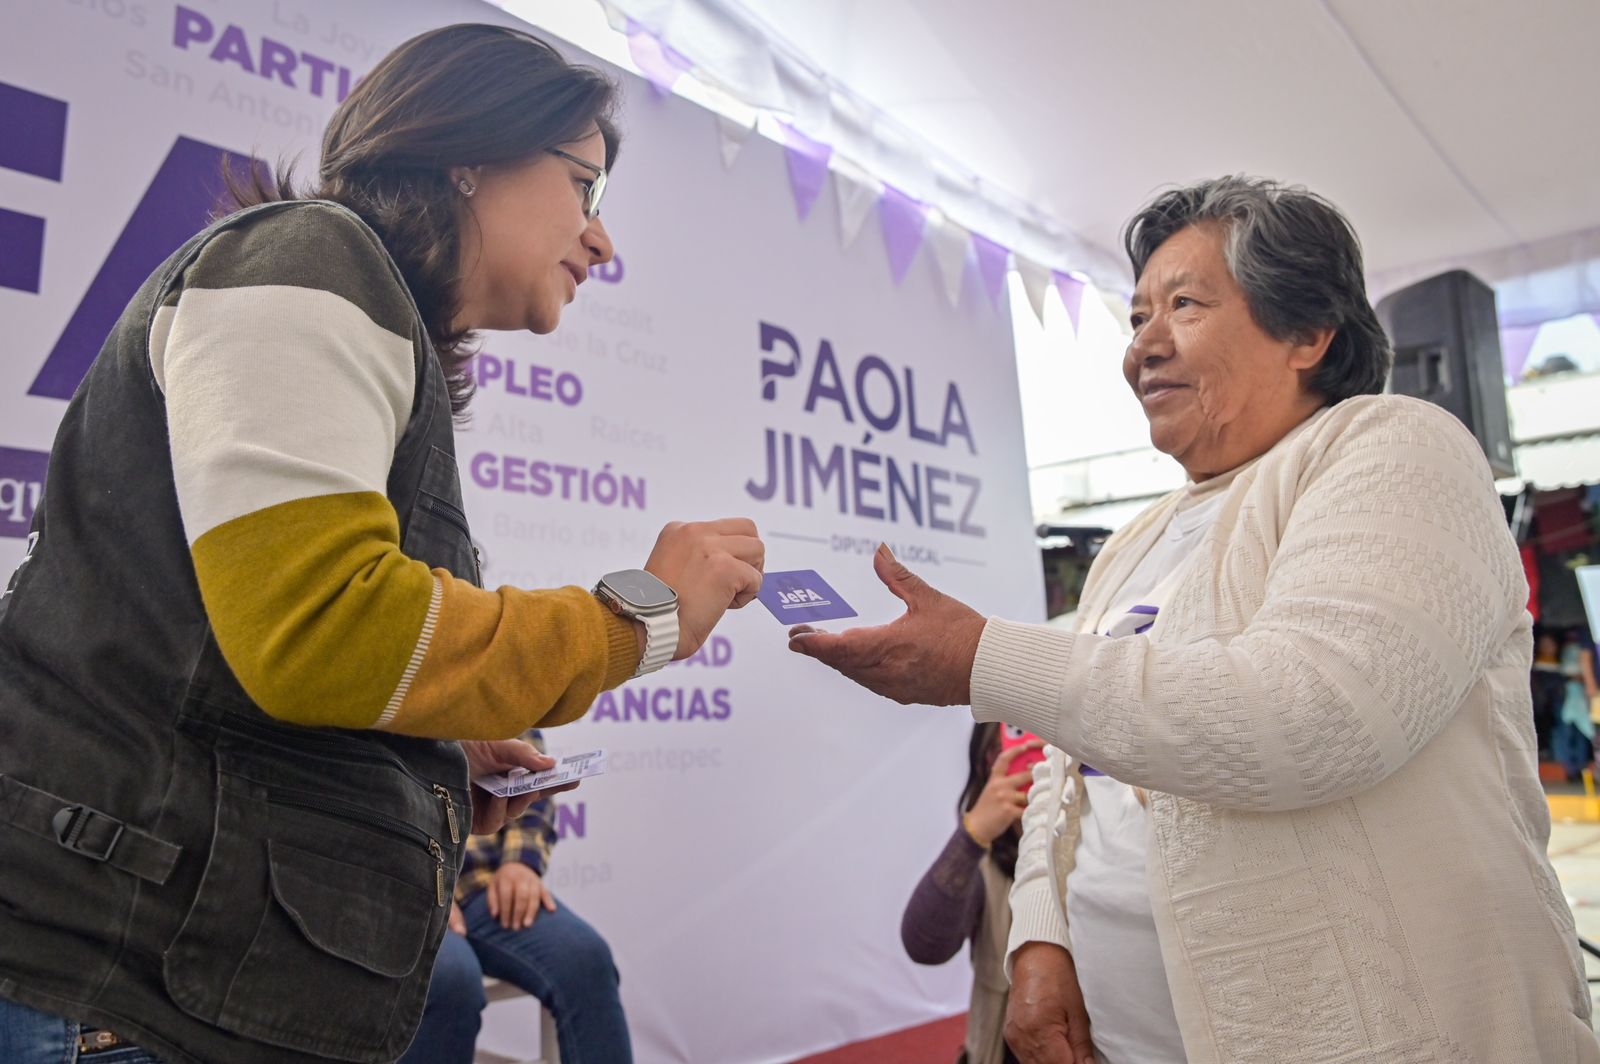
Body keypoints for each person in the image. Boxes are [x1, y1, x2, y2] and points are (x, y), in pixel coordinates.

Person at [0, 23, 764, 1064]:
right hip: (119, 990)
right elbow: (321, 626)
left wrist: (425, 750)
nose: (602, 240)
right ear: (469, 152)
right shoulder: (310, 256)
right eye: (585, 186)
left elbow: (249, 656)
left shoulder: (353, 302)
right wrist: (641, 616)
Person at [791, 176, 1597, 1063]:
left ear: (1308, 333)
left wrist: (983, 658)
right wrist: (1041, 937)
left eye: (1184, 305)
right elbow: (1068, 767)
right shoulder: (1135, 540)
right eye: (1138, 316)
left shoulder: (1393, 446)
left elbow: (1317, 713)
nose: (1144, 344)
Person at [402, 729, 631, 1064]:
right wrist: (415, 883)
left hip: (483, 883)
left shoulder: (500, 700)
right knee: (451, 982)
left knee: (585, 959)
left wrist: (522, 863)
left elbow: (533, 775)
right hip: (404, 887)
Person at [901, 724, 1045, 1064]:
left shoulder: (1102, 838)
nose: (1032, 754)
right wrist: (973, 833)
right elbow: (924, 946)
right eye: (1015, 736)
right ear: (988, 762)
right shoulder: (984, 866)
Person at [1554, 630, 1598, 782]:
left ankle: (1579, 769)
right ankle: (1570, 769)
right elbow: (1578, 664)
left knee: (1582, 735)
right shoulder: (1586, 639)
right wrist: (1589, 684)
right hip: (1573, 694)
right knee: (1570, 734)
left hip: (1583, 695)